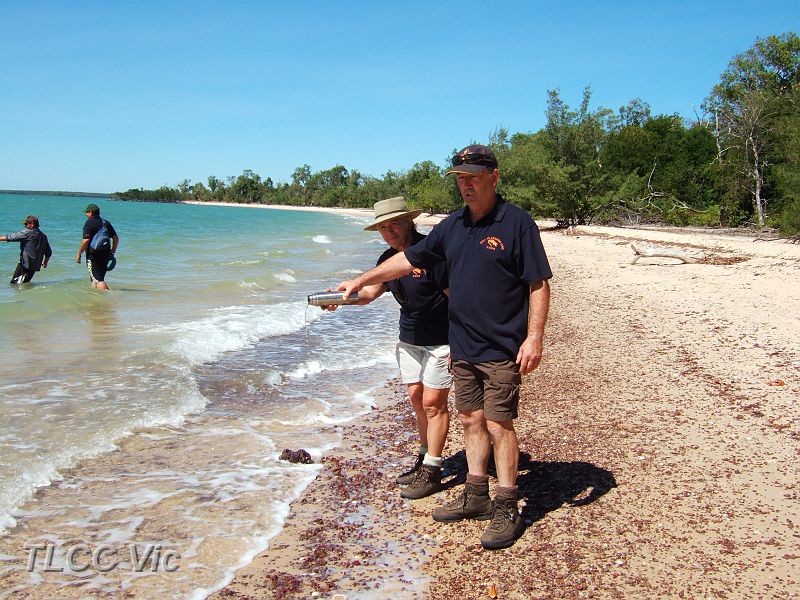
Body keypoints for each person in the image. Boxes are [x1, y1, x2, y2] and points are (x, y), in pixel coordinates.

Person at [337, 145, 552, 549]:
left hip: (502, 345)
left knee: (499, 424)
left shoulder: (517, 223)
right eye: (460, 179)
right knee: (470, 419)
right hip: (463, 344)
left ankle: (507, 505)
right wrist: (359, 280)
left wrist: (534, 337)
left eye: (474, 177)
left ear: (494, 177)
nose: (466, 185)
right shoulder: (452, 225)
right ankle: (476, 494)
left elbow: (538, 283)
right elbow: (407, 259)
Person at [325, 197, 452, 500]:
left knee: (433, 402)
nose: (389, 232)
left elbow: (457, 298)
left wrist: (463, 340)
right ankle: (424, 458)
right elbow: (369, 293)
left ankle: (433, 470)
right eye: (383, 227)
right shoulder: (386, 258)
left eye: (394, 224)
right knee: (418, 399)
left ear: (409, 222)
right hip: (409, 339)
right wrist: (341, 298)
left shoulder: (431, 252)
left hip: (442, 339)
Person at [76, 203, 119, 290]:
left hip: (93, 254)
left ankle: (108, 296)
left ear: (90, 212)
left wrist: (79, 253)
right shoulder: (105, 223)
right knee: (95, 278)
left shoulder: (89, 223)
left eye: (87, 212)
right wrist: (113, 251)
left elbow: (86, 240)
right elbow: (116, 238)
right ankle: (95, 297)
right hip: (106, 252)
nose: (86, 214)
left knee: (98, 279)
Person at [1, 215, 52, 284]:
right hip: (35, 266)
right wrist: (45, 262)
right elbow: (48, 252)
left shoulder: (28, 232)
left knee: (14, 283)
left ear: (32, 224)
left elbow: (12, 237)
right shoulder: (43, 236)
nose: (26, 226)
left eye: (27, 224)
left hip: (25, 264)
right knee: (25, 283)